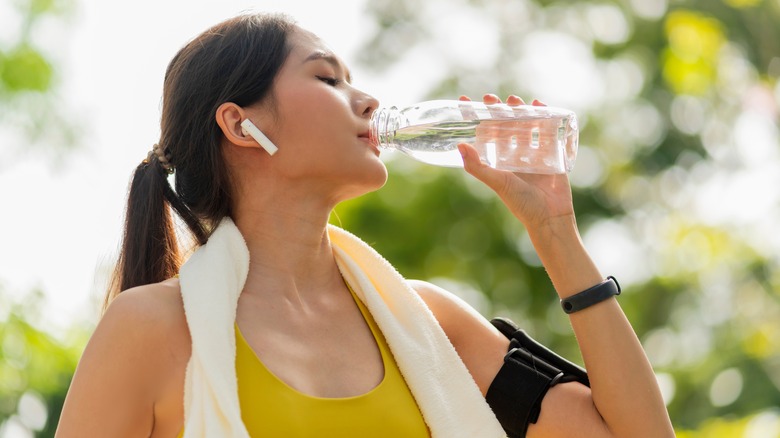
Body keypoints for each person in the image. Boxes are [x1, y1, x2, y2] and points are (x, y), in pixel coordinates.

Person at [56, 12, 674, 438]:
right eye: (327, 78)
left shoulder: (428, 322)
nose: (368, 101)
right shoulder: (152, 329)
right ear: (242, 125)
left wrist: (556, 234)